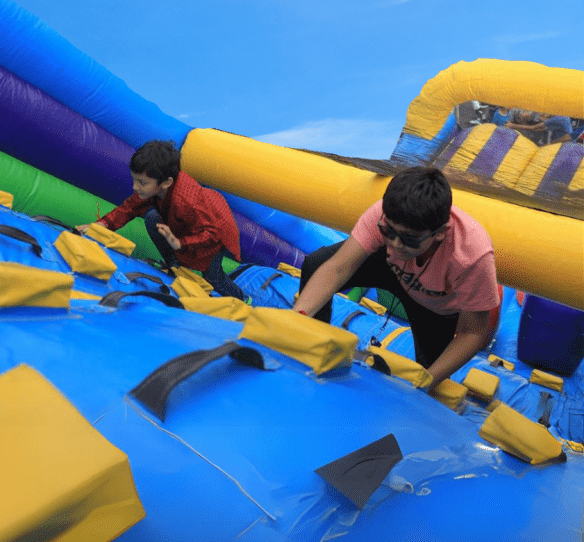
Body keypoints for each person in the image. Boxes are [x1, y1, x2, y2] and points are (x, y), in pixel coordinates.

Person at [295, 167, 499, 394]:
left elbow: (473, 333)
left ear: (440, 232)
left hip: (435, 307)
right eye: (388, 232)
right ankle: (314, 343)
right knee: (317, 263)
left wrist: (424, 381)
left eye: (409, 238)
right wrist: (299, 318)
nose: (395, 244)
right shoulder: (385, 216)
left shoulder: (471, 256)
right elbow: (337, 268)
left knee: (429, 380)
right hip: (387, 268)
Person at [78, 140, 247, 300]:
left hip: (215, 231)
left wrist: (181, 243)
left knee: (213, 278)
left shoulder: (186, 202)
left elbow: (211, 234)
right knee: (152, 219)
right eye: (134, 180)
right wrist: (101, 225)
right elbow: (129, 208)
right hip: (188, 222)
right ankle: (175, 265)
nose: (135, 187)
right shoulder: (159, 186)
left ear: (166, 183)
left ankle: (243, 299)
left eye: (142, 183)